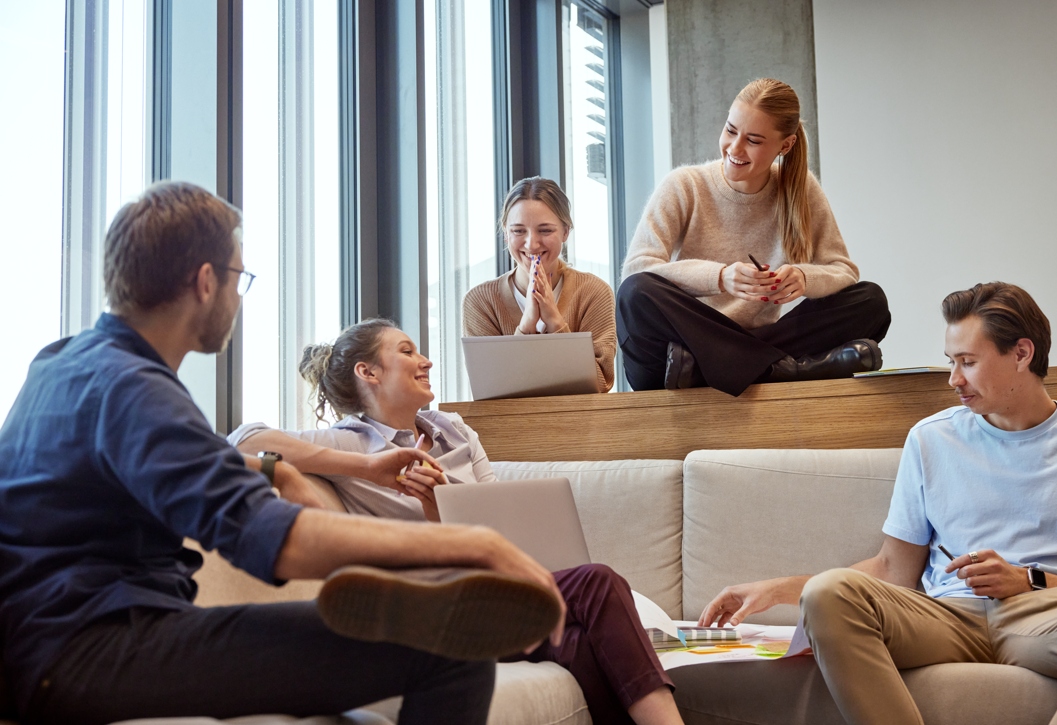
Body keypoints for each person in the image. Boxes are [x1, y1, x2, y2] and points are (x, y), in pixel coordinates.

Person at [0, 181, 568, 725]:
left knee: (433, 640)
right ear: (204, 281)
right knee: (451, 650)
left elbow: (181, 466)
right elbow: (272, 538)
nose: (237, 297)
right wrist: (471, 541)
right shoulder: (134, 389)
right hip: (87, 651)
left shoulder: (64, 362)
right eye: (238, 278)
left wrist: (284, 468)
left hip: (57, 641)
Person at [697, 282, 1057, 724]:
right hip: (945, 616)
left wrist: (1028, 580)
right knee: (828, 593)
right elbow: (892, 570)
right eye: (951, 361)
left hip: (1048, 615)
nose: (954, 379)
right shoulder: (931, 438)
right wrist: (777, 590)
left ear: (1022, 353)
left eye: (968, 361)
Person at [228, 317, 684, 725]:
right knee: (597, 582)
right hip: (447, 604)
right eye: (406, 351)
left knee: (585, 645)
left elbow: (497, 509)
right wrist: (363, 469)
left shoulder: (454, 430)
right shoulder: (352, 443)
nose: (425, 361)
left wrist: (445, 506)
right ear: (367, 373)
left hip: (505, 588)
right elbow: (241, 441)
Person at [617, 77, 891, 396]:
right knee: (635, 292)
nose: (734, 148)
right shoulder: (684, 185)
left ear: (785, 145)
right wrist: (719, 277)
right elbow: (637, 270)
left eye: (754, 140)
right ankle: (778, 369)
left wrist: (804, 278)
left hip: (695, 362)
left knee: (870, 301)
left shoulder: (802, 189)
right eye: (731, 130)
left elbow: (843, 271)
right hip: (681, 344)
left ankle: (732, 367)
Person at [463, 176, 617, 393]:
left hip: (581, 424)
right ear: (506, 234)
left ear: (565, 232)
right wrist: (525, 327)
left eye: (545, 231)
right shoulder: (481, 301)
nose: (531, 244)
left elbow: (601, 383)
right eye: (518, 231)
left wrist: (555, 321)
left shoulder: (593, 292)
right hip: (509, 426)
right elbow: (488, 390)